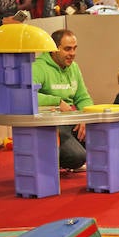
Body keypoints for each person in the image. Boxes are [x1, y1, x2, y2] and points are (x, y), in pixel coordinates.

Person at [32, 29, 93, 171]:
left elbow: (83, 97)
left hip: (73, 121)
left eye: (74, 48)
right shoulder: (38, 67)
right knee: (77, 156)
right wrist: (57, 101)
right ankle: (53, 160)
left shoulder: (74, 67)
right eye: (67, 49)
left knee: (108, 144)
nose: (72, 53)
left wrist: (85, 116)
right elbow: (28, 95)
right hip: (52, 125)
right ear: (54, 49)